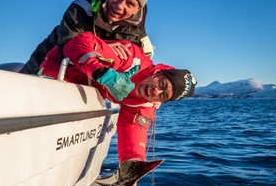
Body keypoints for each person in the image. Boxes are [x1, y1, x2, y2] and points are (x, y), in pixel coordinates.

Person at [38, 32, 197, 163]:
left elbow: (133, 135)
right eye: (161, 84)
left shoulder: (145, 104)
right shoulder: (130, 59)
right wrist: (101, 71)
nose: (156, 92)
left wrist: (132, 169)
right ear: (158, 72)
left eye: (164, 95)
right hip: (56, 70)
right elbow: (77, 43)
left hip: (83, 93)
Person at [20, 0, 156, 76]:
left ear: (137, 9)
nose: (120, 6)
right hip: (50, 58)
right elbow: (67, 47)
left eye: (130, 4)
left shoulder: (139, 35)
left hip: (92, 78)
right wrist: (103, 50)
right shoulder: (81, 7)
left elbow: (145, 67)